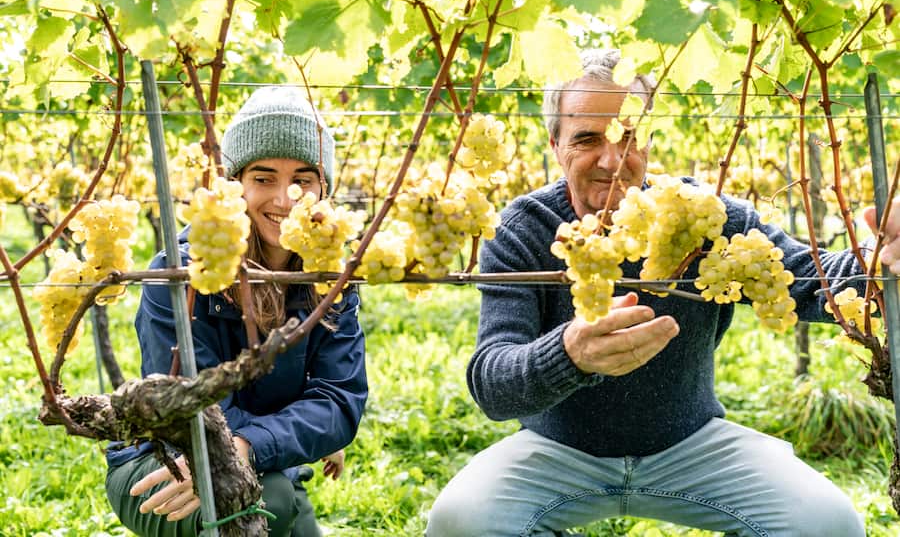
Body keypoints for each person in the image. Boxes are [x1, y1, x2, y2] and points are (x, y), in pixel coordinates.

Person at [427, 49, 900, 536]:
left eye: (628, 136)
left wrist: (881, 259)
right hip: (557, 451)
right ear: (555, 144)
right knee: (460, 520)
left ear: (649, 140)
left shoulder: (701, 216)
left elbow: (810, 280)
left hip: (692, 446)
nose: (611, 159)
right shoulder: (523, 229)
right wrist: (569, 353)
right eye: (587, 138)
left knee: (827, 523)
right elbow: (492, 384)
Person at [105, 86, 368, 536]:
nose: (285, 199)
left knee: (279, 502)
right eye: (263, 179)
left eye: (303, 179)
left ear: (324, 186)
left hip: (262, 457)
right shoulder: (183, 271)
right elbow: (194, 406)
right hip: (167, 460)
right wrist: (294, 436)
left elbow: (341, 401)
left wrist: (253, 445)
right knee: (275, 501)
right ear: (235, 184)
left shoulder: (327, 275)